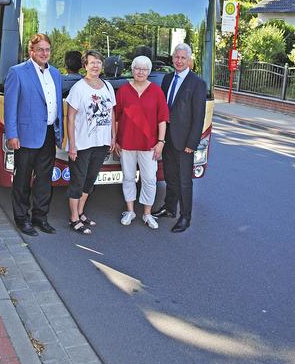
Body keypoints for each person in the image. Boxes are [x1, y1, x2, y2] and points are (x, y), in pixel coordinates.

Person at [4, 33, 63, 236]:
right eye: (40, 49)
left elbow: (56, 105)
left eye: (47, 49)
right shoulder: (18, 72)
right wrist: (12, 134)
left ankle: (40, 217)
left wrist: (59, 131)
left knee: (44, 180)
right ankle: (22, 219)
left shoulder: (55, 73)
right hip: (26, 135)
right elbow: (10, 106)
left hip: (48, 134)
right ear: (31, 51)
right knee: (22, 180)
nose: (44, 53)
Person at [152, 43, 206, 233]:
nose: (179, 61)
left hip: (185, 143)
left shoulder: (197, 83)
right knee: (170, 176)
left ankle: (185, 217)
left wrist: (192, 143)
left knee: (184, 180)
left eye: (183, 58)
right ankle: (169, 208)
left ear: (189, 60)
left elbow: (199, 117)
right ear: (172, 58)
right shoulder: (167, 79)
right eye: (177, 57)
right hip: (167, 138)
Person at [115, 56, 169, 229]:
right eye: (137, 68)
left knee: (149, 180)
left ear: (149, 72)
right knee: (128, 177)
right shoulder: (123, 91)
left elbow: (162, 119)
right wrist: (115, 139)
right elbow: (116, 118)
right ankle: (130, 211)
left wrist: (161, 142)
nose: (140, 72)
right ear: (132, 70)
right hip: (126, 144)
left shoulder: (156, 91)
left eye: (144, 69)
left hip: (149, 145)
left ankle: (147, 213)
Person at [66, 50, 116, 234]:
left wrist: (113, 137)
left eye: (98, 62)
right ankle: (73, 219)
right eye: (92, 62)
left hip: (101, 143)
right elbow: (70, 118)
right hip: (82, 144)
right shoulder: (78, 88)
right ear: (85, 66)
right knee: (77, 181)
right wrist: (72, 145)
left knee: (89, 180)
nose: (95, 66)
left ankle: (80, 213)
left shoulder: (108, 87)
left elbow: (111, 113)